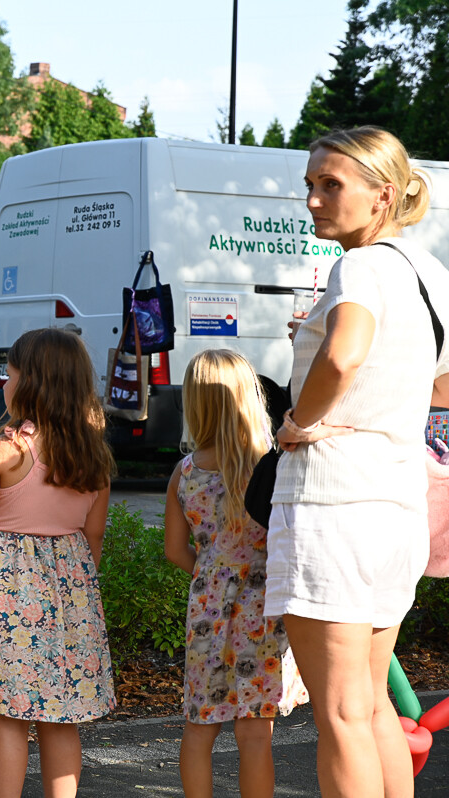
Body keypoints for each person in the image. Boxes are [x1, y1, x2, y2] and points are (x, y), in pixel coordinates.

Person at [270, 126, 449, 798]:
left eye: (331, 185)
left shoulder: (361, 266)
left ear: (382, 194)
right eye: (311, 185)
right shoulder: (431, 272)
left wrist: (299, 420)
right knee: (373, 705)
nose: (314, 199)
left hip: (334, 503)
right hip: (396, 503)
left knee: (342, 712)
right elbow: (442, 385)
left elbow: (343, 356)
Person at [0, 327, 116, 798]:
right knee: (61, 719)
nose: (3, 381)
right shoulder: (94, 453)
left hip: (9, 592)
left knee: (9, 717)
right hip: (72, 589)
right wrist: (76, 588)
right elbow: (92, 534)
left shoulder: (3, 451)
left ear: (31, 382)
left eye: (8, 373)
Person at [164, 349, 309, 798]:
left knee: (200, 727)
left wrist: (212, 576)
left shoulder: (184, 473)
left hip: (207, 610)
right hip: (264, 611)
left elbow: (174, 550)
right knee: (254, 736)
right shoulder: (273, 467)